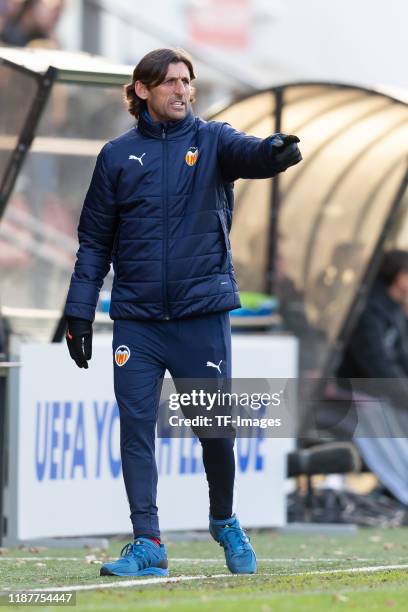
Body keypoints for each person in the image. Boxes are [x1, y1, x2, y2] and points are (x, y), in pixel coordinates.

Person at [64, 48, 302, 578]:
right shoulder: (116, 156)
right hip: (138, 320)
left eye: (187, 82)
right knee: (136, 426)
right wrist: (80, 312)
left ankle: (223, 519)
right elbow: (93, 243)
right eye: (170, 82)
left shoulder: (213, 140)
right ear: (143, 91)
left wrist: (275, 151)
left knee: (213, 430)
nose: (181, 91)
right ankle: (147, 541)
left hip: (201, 314)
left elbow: (252, 155)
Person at [336, 249, 408, 505]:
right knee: (379, 414)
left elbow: (400, 359)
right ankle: (401, 489)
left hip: (384, 393)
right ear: (398, 277)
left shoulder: (395, 310)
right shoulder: (369, 310)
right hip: (355, 392)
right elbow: (376, 366)